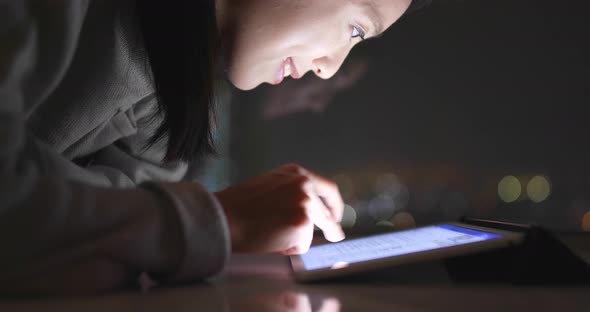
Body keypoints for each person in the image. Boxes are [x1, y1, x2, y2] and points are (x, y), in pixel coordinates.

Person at [0, 0, 427, 295]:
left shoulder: (168, 107)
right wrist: (226, 220)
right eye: (355, 28)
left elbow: (96, 238)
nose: (330, 65)